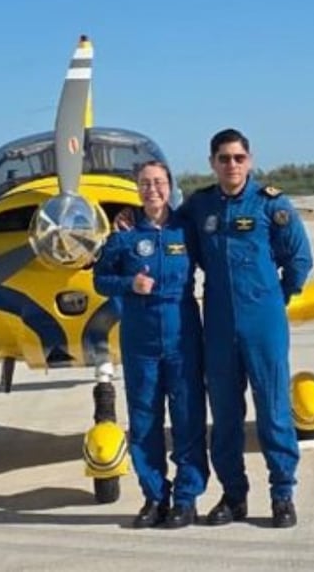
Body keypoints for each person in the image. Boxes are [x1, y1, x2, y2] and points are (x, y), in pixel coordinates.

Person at [183, 127, 313, 528]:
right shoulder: (199, 207)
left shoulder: (272, 205)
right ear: (212, 163)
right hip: (219, 322)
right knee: (224, 415)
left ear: (250, 161)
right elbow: (169, 231)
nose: (231, 165)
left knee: (273, 410)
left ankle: (282, 495)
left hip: (264, 321)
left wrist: (276, 297)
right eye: (224, 158)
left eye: (238, 158)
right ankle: (233, 495)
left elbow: (299, 260)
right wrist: (124, 219)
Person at [93, 160, 209, 529]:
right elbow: (100, 280)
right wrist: (129, 284)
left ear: (170, 186)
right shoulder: (123, 235)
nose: (152, 189)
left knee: (188, 416)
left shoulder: (186, 229)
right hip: (139, 337)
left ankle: (187, 499)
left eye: (159, 182)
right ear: (136, 189)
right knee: (144, 419)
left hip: (182, 332)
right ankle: (155, 497)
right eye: (145, 183)